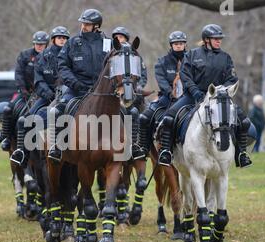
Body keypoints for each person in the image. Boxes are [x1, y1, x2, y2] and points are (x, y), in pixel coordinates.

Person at [158, 24, 252, 168]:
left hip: (219, 98)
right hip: (194, 96)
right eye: (216, 38)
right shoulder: (192, 55)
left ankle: (241, 154)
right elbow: (185, 75)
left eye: (220, 38)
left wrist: (221, 91)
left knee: (244, 121)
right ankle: (166, 151)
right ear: (206, 39)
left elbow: (231, 79)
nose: (219, 41)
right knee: (169, 118)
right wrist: (195, 91)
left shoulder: (225, 57)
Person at [48, 9, 109, 162]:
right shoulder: (72, 43)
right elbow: (63, 66)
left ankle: (130, 147)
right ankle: (57, 147)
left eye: (87, 24)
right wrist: (75, 83)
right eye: (83, 23)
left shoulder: (107, 43)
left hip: (101, 90)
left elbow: (113, 66)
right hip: (76, 89)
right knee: (57, 110)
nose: (83, 26)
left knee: (125, 110)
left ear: (96, 26)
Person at [10, 26, 71, 166]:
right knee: (26, 119)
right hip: (46, 95)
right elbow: (38, 79)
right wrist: (48, 94)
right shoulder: (43, 56)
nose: (62, 40)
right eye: (59, 37)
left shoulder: (71, 54)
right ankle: (22, 152)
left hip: (66, 95)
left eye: (64, 38)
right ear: (54, 39)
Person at [138, 31, 188, 155]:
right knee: (144, 117)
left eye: (181, 43)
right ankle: (143, 148)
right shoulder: (162, 61)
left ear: (184, 45)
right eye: (175, 44)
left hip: (188, 97)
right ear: (171, 45)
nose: (178, 46)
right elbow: (161, 80)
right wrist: (171, 92)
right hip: (167, 98)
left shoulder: (192, 61)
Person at [0, 31, 49, 152]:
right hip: (26, 93)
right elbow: (19, 74)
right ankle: (6, 138)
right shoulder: (25, 55)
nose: (40, 46)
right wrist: (23, 90)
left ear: (47, 45)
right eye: (37, 44)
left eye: (42, 44)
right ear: (34, 44)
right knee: (8, 109)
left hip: (45, 93)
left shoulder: (51, 57)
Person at [111, 26, 148, 160]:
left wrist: (138, 87)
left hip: (131, 92)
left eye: (122, 37)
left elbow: (143, 76)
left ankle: (138, 144)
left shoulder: (135, 56)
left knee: (142, 112)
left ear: (126, 39)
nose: (119, 39)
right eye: (117, 37)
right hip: (113, 93)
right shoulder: (111, 55)